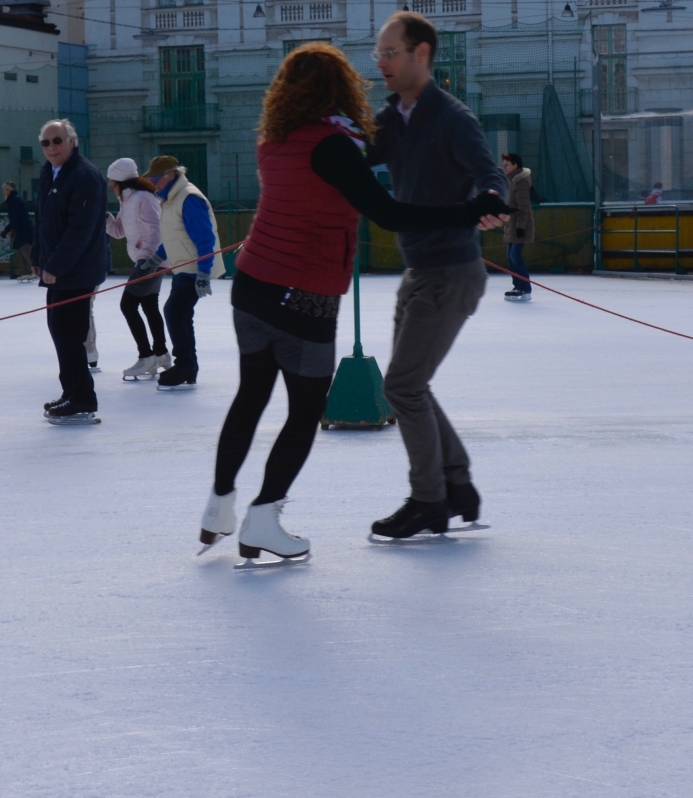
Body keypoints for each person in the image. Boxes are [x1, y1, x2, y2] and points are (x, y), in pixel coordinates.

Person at [198, 42, 512, 561]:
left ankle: (218, 506)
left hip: (252, 285)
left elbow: (356, 160)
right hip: (303, 295)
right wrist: (469, 210)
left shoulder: (274, 140)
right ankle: (263, 519)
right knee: (304, 412)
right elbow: (387, 213)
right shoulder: (332, 146)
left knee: (250, 396)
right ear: (341, 88)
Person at [367, 11, 510, 540]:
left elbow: (489, 175)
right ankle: (456, 483)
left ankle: (431, 499)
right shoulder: (390, 120)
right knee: (411, 385)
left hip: (451, 272)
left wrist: (490, 199)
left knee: (403, 386)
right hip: (419, 270)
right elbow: (354, 158)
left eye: (390, 53)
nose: (381, 63)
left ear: (421, 53)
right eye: (379, 54)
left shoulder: (451, 118)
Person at [32, 119, 108, 425]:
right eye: (45, 142)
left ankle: (82, 398)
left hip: (77, 271)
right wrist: (38, 257)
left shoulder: (84, 175)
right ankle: (71, 391)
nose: (51, 147)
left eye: (57, 141)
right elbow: (42, 219)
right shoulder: (50, 173)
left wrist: (55, 266)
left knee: (70, 334)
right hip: (58, 270)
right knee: (59, 331)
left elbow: (80, 228)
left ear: (72, 142)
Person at [144, 155, 224, 390]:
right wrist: (156, 258)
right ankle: (189, 366)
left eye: (156, 179)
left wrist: (203, 274)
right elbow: (175, 235)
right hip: (183, 268)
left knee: (174, 312)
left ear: (170, 175)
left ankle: (185, 365)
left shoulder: (189, 198)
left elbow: (205, 239)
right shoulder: (171, 199)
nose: (153, 184)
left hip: (192, 269)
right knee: (181, 315)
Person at [106, 157, 171, 380]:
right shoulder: (127, 200)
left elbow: (156, 230)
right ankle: (161, 354)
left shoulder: (144, 197)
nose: (109, 184)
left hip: (151, 261)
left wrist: (146, 259)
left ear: (119, 180)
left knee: (128, 305)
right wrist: (105, 218)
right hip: (146, 260)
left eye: (111, 180)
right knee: (149, 305)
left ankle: (146, 355)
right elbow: (118, 231)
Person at [502, 152, 535, 302]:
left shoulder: (520, 181)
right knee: (510, 256)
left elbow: (523, 207)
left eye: (507, 165)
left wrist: (520, 227)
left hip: (520, 226)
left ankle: (525, 288)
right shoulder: (511, 181)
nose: (504, 167)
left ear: (515, 165)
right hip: (512, 224)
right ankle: (517, 286)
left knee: (515, 255)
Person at [0, 181, 34, 280]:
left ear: (8, 190)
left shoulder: (13, 200)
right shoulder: (14, 199)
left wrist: (10, 229)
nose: (3, 191)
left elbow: (16, 216)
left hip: (22, 228)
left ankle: (35, 269)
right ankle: (25, 272)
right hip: (22, 227)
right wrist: (9, 229)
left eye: (4, 189)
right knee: (20, 249)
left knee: (24, 249)